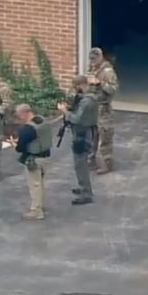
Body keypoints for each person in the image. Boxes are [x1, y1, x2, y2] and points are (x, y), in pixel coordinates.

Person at [6, 103, 53, 220]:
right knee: (40, 183)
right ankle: (40, 205)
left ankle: (36, 211)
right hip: (46, 156)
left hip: (33, 159)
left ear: (24, 114)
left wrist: (14, 143)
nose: (18, 119)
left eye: (18, 116)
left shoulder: (27, 129)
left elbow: (20, 147)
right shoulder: (42, 121)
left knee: (34, 185)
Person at [57, 75, 98, 205]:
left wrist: (65, 112)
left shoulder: (87, 101)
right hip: (82, 132)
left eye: (76, 87)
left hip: (83, 133)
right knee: (79, 163)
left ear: (80, 85)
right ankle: (83, 187)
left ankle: (86, 193)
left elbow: (77, 119)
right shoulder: (86, 98)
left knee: (81, 164)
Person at [87, 47, 119, 174]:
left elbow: (113, 89)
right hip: (93, 107)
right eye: (91, 59)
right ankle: (92, 160)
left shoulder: (108, 72)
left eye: (95, 59)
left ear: (101, 57)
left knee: (105, 136)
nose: (92, 62)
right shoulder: (92, 69)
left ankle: (107, 164)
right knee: (92, 135)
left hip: (103, 108)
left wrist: (99, 83)